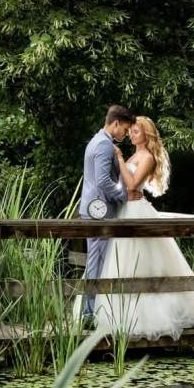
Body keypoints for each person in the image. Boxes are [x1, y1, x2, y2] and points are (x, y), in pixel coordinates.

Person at [89, 116, 194, 340]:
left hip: (136, 210)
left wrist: (118, 158)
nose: (131, 134)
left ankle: (152, 318)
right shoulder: (136, 154)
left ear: (147, 134)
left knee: (141, 263)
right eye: (131, 131)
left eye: (136, 131)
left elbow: (133, 184)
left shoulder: (146, 157)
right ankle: (117, 314)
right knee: (121, 262)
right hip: (124, 209)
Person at [78, 105, 141, 322]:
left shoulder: (97, 140)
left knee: (95, 260)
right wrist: (124, 196)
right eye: (124, 129)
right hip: (100, 211)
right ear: (115, 123)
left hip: (94, 208)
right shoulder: (104, 144)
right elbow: (104, 181)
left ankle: (90, 310)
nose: (125, 134)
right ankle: (88, 312)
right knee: (97, 261)